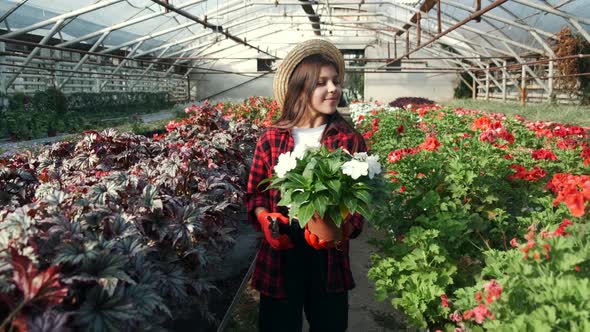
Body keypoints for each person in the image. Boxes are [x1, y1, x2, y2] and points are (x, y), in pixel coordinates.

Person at [244, 39, 367, 332]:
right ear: (301, 88)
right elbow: (254, 196)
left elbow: (361, 201)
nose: (333, 89)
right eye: (322, 82)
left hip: (330, 259)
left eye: (336, 81)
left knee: (330, 325)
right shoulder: (271, 139)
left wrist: (343, 229)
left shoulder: (348, 139)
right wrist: (265, 220)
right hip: (281, 252)